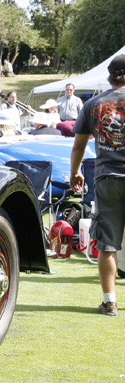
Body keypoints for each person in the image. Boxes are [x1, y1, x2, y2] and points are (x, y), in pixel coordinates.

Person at [69, 54, 125, 316]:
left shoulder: (92, 104)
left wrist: (75, 173)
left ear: (109, 75)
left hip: (107, 178)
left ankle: (110, 301)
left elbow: (78, 146)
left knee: (107, 244)